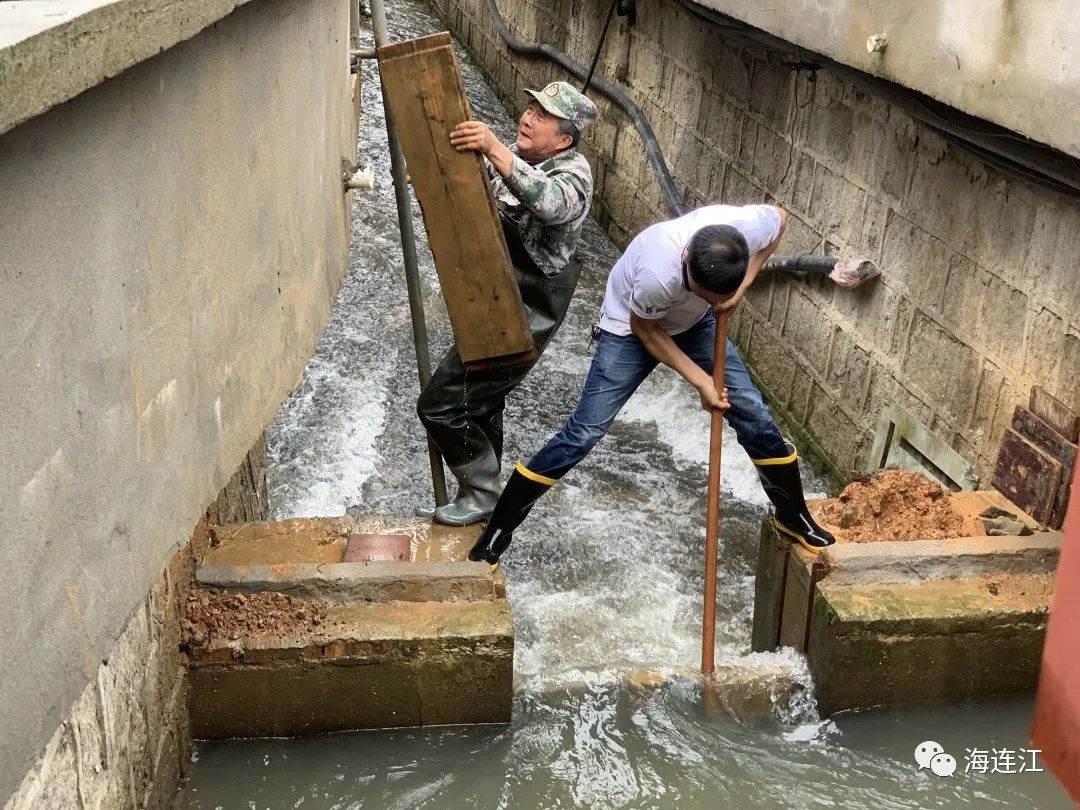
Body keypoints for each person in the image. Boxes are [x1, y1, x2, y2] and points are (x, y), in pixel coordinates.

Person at [467, 202, 837, 566]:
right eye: (704, 292)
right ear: (688, 256)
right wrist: (702, 383)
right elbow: (647, 330)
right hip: (630, 328)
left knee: (753, 413)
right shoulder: (657, 272)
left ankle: (792, 515)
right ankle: (500, 527)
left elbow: (782, 220)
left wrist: (739, 291)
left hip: (697, 324)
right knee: (584, 433)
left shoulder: (745, 226)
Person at [417, 81, 597, 526]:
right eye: (530, 107)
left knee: (439, 404)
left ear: (565, 139)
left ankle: (482, 491)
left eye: (543, 115)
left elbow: (550, 203)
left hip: (527, 309)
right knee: (480, 403)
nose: (528, 117)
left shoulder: (573, 174)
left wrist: (494, 148)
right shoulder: (519, 159)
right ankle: (480, 492)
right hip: (491, 293)